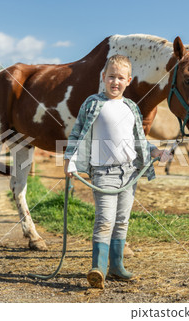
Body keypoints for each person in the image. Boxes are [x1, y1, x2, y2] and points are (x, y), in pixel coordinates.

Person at [64, 54, 168, 289]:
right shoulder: (92, 103)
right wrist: (70, 160)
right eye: (111, 76)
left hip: (129, 172)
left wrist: (156, 152)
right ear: (103, 77)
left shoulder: (131, 107)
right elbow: (76, 133)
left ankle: (117, 267)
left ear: (128, 80)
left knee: (122, 221)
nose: (115, 81)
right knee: (105, 220)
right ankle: (98, 269)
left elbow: (136, 140)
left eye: (121, 77)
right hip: (103, 173)